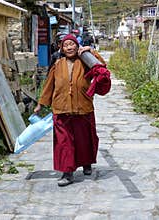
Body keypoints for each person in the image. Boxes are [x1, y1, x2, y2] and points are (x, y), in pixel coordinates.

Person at [34, 34, 106, 187]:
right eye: (66, 45)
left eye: (72, 44)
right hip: (61, 109)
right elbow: (49, 85)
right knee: (63, 142)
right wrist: (41, 103)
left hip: (83, 108)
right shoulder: (57, 64)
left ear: (77, 46)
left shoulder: (86, 61)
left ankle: (86, 163)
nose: (69, 47)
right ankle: (67, 172)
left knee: (85, 139)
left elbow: (101, 67)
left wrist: (92, 52)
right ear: (62, 48)